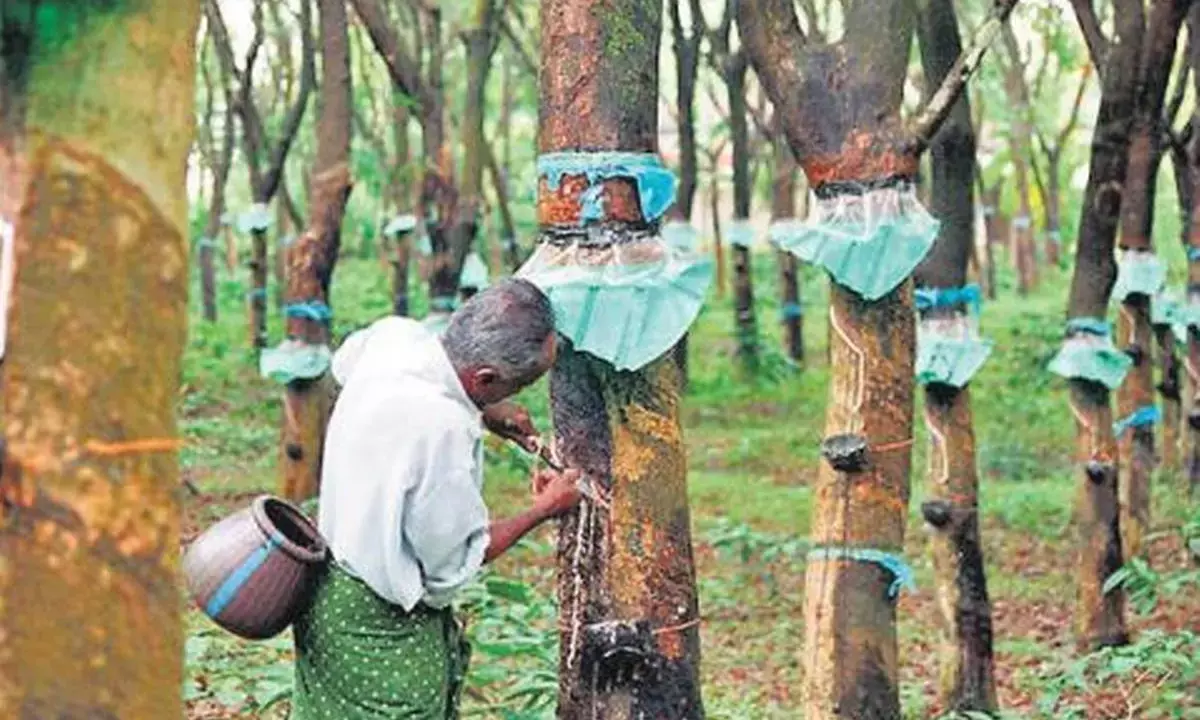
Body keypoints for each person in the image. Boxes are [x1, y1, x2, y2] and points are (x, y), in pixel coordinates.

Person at [291, 278, 581, 719]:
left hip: (325, 596)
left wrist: (482, 409)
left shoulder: (396, 338)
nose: (516, 398)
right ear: (483, 378)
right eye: (516, 387)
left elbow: (345, 364)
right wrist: (544, 510)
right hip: (379, 627)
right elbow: (449, 565)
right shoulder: (442, 429)